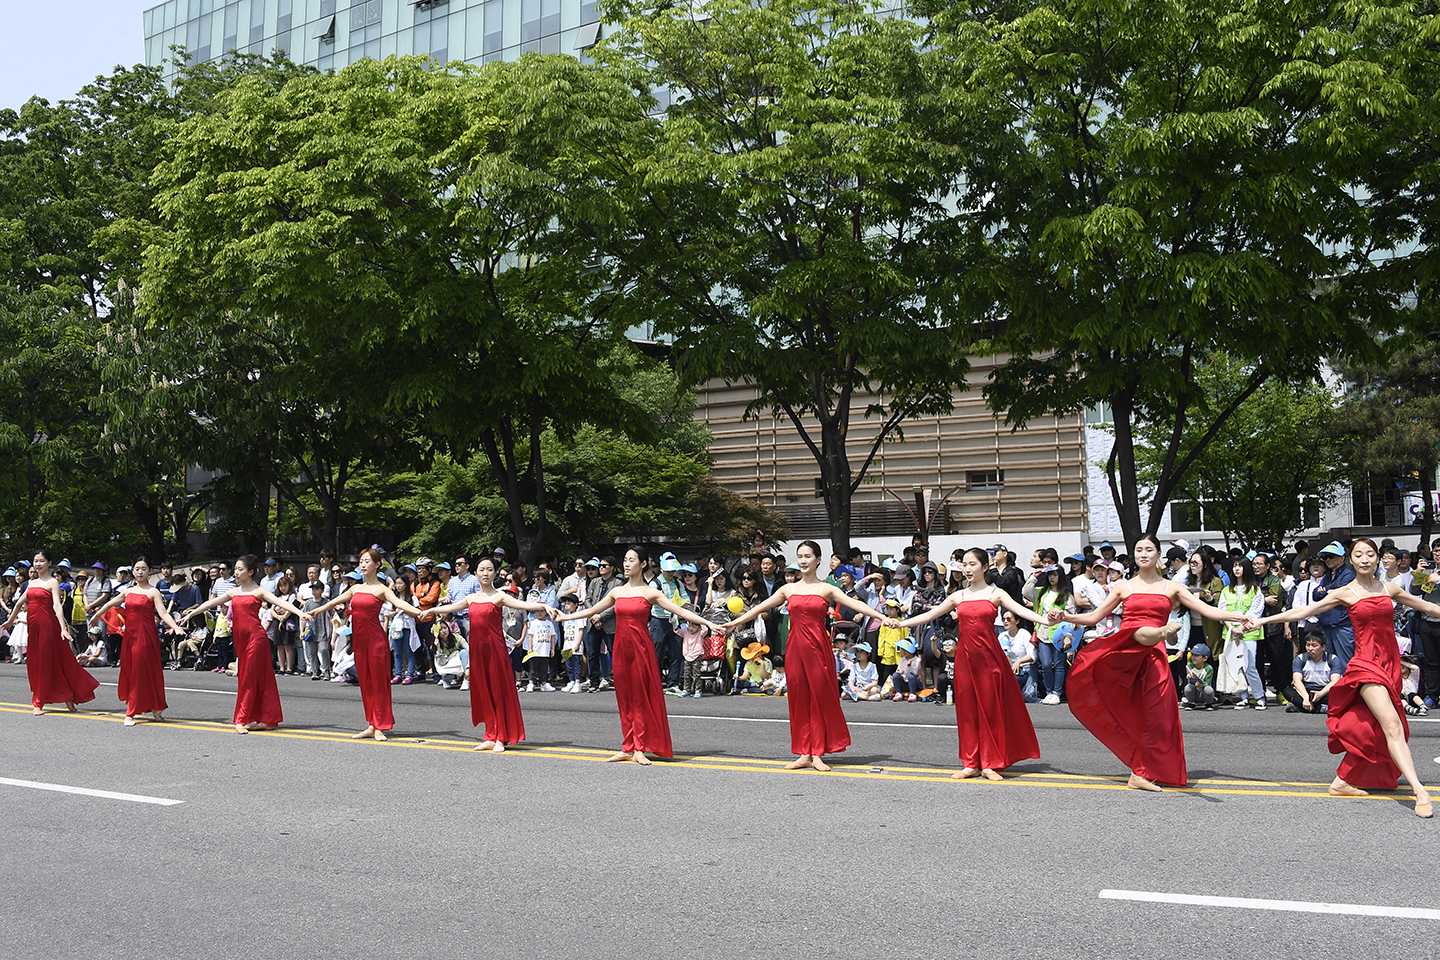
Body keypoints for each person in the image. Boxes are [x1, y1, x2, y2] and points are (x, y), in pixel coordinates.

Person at [1248, 537, 1435, 817]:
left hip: (1390, 666)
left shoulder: (1389, 588)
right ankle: (1420, 790)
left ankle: (1341, 782)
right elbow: (1304, 611)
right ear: (1351, 559)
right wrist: (1262, 620)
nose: (1364, 559)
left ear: (1379, 558)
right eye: (1358, 554)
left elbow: (1428, 607)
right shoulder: (1345, 592)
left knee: (1371, 729)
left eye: (1370, 554)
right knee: (1392, 727)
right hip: (1365, 666)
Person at [1051, 535, 1249, 791]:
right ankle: (1139, 772)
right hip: (1128, 652)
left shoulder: (1171, 587)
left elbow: (1208, 610)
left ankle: (1144, 770)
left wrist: (1238, 616)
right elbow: (1094, 617)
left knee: (1160, 716)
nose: (1143, 554)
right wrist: (1065, 616)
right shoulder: (1123, 586)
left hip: (1155, 656)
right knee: (1133, 707)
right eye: (1138, 550)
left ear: (1158, 554)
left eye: (1149, 550)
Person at [723, 540, 892, 771]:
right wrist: (734, 623)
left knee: (819, 698)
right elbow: (759, 608)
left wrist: (882, 618)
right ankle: (804, 753)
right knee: (799, 699)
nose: (803, 560)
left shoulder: (826, 589)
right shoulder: (788, 589)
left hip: (818, 648)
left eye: (808, 556)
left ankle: (818, 753)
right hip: (795, 649)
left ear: (818, 559)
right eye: (800, 556)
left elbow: (856, 604)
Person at [897, 548, 1049, 780]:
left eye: (972, 564)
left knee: (990, 710)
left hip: (990, 659)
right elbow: (929, 614)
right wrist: (899, 624)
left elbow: (1022, 611)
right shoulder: (959, 596)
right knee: (967, 711)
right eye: (964, 565)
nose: (967, 569)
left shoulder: (996, 594)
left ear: (985, 567)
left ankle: (989, 763)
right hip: (965, 660)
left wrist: (1048, 620)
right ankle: (971, 763)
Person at [558, 547, 719, 765]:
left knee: (640, 698)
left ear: (643, 564)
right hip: (621, 649)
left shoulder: (650, 592)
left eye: (631, 560)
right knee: (624, 698)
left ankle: (640, 748)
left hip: (642, 649)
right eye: (625, 560)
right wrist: (565, 617)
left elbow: (680, 611)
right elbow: (592, 610)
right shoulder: (617, 591)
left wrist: (709, 623)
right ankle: (628, 746)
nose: (626, 564)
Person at [428, 556, 560, 752]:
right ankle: (489, 735)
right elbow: (450, 607)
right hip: (478, 652)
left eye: (489, 570)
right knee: (483, 691)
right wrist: (430, 610)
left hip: (495, 651)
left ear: (495, 573)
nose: (485, 573)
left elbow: (523, 605)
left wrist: (545, 606)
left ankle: (501, 737)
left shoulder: (499, 596)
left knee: (498, 691)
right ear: (475, 573)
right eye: (481, 570)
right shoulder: (471, 598)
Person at [175, 555, 311, 734]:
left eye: (240, 569)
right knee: (249, 677)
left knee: (250, 677)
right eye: (236, 569)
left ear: (251, 572)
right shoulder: (233, 592)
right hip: (240, 640)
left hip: (256, 638)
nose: (237, 573)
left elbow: (280, 602)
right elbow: (210, 603)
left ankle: (242, 719)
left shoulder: (259, 591)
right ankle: (266, 719)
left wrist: (301, 614)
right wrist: (191, 614)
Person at [86, 559, 185, 725]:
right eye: (137, 569)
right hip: (130, 638)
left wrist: (175, 627)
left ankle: (133, 712)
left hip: (146, 638)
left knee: (145, 672)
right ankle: (151, 709)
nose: (140, 572)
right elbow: (110, 603)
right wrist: (96, 615)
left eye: (144, 569)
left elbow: (163, 613)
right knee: (133, 672)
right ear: (132, 571)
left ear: (150, 571)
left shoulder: (153, 592)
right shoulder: (128, 591)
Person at [1, 550, 100, 715]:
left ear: (49, 563)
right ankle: (67, 695)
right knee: (35, 663)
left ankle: (38, 702)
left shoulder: (53, 582)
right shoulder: (31, 583)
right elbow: (19, 604)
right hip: (33, 628)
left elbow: (57, 606)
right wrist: (11, 620)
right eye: (35, 561)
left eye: (41, 561)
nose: (38, 564)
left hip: (48, 627)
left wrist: (62, 628)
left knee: (47, 663)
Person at [1219, 558, 1267, 710]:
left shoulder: (1254, 590)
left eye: (1240, 566)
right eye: (1235, 566)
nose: (1237, 569)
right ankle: (1243, 696)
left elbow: (1256, 612)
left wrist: (1241, 628)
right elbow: (1222, 611)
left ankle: (1260, 696)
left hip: (1249, 633)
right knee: (1235, 666)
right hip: (1231, 633)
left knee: (1250, 666)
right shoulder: (1226, 590)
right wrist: (1232, 628)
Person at [1314, 540, 1357, 670]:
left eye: (1331, 556)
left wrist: (1327, 592)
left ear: (1342, 558)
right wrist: (1330, 592)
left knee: (1346, 661)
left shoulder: (1348, 574)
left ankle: (1351, 688)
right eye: (1325, 557)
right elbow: (1315, 595)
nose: (1328, 560)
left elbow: (1341, 595)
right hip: (1327, 623)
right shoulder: (1327, 576)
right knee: (1329, 662)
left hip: (1343, 624)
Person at [1283, 631, 1341, 714]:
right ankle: (1320, 708)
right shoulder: (1301, 658)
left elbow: (1335, 681)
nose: (1310, 649)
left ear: (1323, 647)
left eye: (1314, 645)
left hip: (1325, 691)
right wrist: (1306, 698)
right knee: (1287, 691)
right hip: (1307, 690)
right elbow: (1297, 681)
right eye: (1308, 645)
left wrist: (1320, 694)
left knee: (1343, 695)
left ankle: (1300, 707)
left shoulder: (1332, 659)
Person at [1182, 643, 1216, 710]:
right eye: (1193, 655)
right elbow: (1190, 683)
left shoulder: (1209, 668)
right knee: (1188, 687)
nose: (1193, 657)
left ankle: (1208, 704)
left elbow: (1208, 683)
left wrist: (1201, 685)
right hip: (1194, 693)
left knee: (1209, 689)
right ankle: (1191, 703)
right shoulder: (1190, 667)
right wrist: (1190, 678)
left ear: (1205, 658)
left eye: (1197, 655)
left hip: (1204, 693)